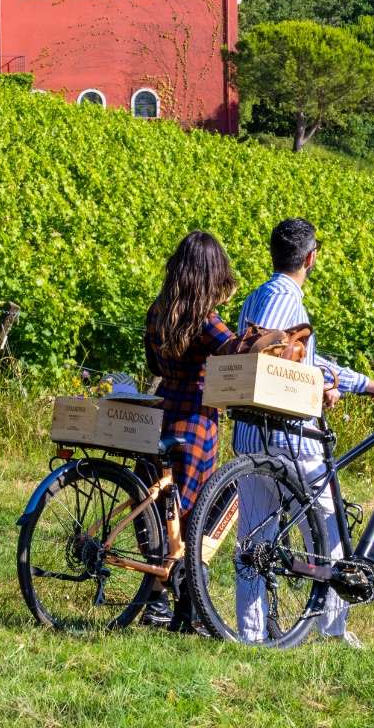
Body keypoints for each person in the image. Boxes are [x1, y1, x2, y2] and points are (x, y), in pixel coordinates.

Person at [233, 218, 374, 647]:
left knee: (254, 539)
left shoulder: (254, 297)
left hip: (249, 432)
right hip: (288, 436)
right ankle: (332, 629)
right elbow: (281, 362)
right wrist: (322, 388)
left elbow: (301, 362)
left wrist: (359, 383)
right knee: (329, 532)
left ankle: (251, 635)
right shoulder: (287, 303)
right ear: (311, 258)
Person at [143, 230, 239, 631]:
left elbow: (151, 365)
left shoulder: (158, 310)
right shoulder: (207, 321)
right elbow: (236, 353)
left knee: (158, 509)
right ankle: (187, 603)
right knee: (193, 512)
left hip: (161, 411)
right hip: (197, 420)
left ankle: (156, 597)